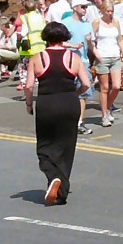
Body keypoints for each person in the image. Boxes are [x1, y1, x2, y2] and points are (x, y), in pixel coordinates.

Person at [24, 22, 91, 205]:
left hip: (47, 103)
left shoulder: (38, 57)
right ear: (65, 37)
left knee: (45, 146)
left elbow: (29, 86)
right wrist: (74, 95)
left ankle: (53, 176)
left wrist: (29, 104)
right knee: (66, 147)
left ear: (46, 37)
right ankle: (61, 191)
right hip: (69, 103)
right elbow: (86, 84)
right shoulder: (73, 57)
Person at [91, 0, 123, 127]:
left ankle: (108, 106)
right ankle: (104, 114)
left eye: (112, 11)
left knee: (117, 86)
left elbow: (120, 39)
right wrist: (96, 54)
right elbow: (92, 41)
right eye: (108, 11)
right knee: (104, 88)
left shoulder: (116, 22)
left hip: (115, 56)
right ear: (103, 11)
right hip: (103, 57)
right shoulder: (97, 22)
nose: (110, 13)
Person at [63, 0, 96, 133]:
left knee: (85, 90)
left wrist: (90, 43)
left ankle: (79, 122)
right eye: (83, 7)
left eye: (86, 7)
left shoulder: (87, 25)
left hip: (83, 61)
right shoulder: (65, 23)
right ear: (75, 7)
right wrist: (73, 45)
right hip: (68, 61)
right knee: (66, 90)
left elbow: (92, 46)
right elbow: (58, 42)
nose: (85, 9)